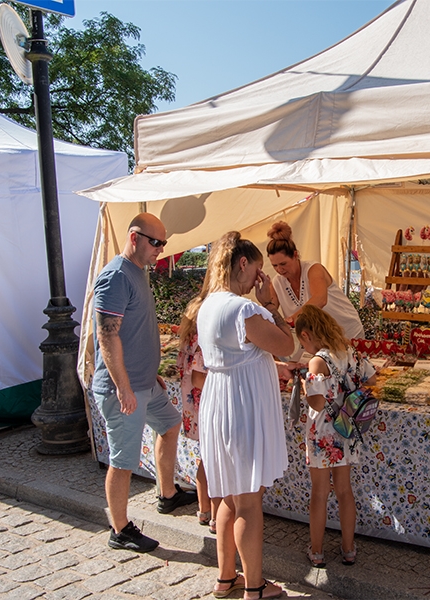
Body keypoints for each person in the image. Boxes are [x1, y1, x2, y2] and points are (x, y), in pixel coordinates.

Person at [194, 231, 294, 600]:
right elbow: (288, 344)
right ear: (242, 263)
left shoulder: (208, 306)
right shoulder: (244, 309)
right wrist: (271, 305)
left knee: (227, 499)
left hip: (219, 402)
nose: (259, 278)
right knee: (249, 502)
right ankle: (254, 586)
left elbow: (243, 352)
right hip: (241, 406)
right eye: (257, 269)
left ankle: (225, 578)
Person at [92, 213, 195, 553]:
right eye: (156, 242)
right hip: (125, 388)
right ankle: (119, 529)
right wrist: (123, 386)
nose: (161, 249)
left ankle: (166, 494)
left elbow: (134, 331)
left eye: (164, 243)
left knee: (170, 423)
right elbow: (108, 337)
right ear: (134, 237)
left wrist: (150, 375)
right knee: (123, 461)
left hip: (143, 383)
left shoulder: (137, 272)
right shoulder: (117, 276)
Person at [294, 305, 376, 568]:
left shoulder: (317, 361)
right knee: (344, 490)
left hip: (323, 432)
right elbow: (372, 379)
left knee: (319, 492)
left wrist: (308, 386)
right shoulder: (349, 352)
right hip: (347, 428)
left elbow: (317, 403)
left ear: (306, 335)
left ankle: (316, 551)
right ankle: (348, 548)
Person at [266, 221, 365, 341]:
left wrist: (291, 320)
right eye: (274, 265)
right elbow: (269, 311)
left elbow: (320, 299)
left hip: (347, 333)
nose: (279, 269)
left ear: (295, 255)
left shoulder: (313, 269)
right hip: (318, 340)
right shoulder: (277, 283)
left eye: (283, 264)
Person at [177, 292, 217, 534]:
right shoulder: (202, 340)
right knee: (211, 461)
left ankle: (204, 510)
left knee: (207, 459)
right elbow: (199, 377)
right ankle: (210, 511)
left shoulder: (188, 339)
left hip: (194, 405)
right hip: (204, 404)